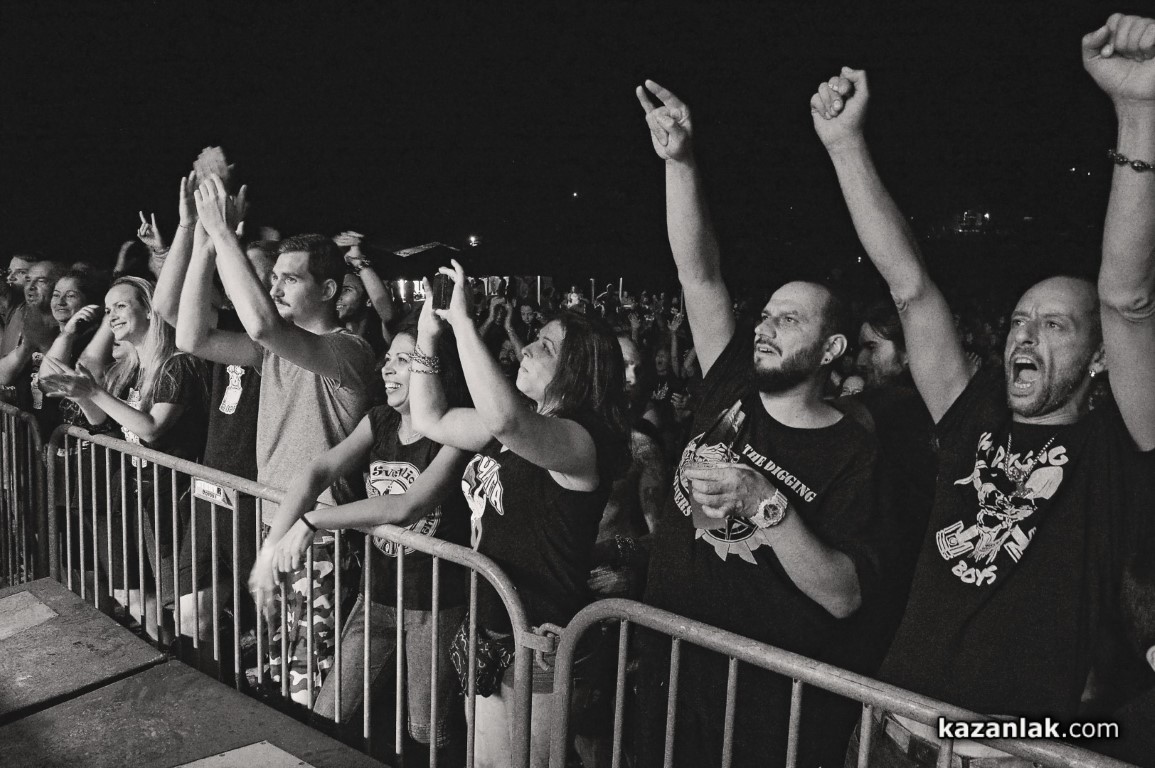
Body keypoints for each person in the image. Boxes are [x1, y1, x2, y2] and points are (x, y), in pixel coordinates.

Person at [811, 13, 1155, 764]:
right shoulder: (977, 416)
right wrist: (844, 145)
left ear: (1101, 360)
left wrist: (1137, 110)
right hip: (889, 731)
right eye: (1020, 321)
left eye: (1056, 325)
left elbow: (1126, 300)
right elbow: (909, 289)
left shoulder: (1117, 452)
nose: (1025, 336)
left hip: (999, 754)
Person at [633, 79, 888, 768]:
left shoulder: (853, 449)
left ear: (831, 350)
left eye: (790, 319)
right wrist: (679, 162)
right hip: (666, 674)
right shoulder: (731, 384)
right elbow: (699, 275)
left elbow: (844, 595)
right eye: (767, 314)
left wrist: (762, 501)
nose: (766, 327)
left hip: (757, 710)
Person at [410, 260, 630, 768]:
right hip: (491, 630)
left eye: (546, 346)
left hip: (540, 646)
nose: (526, 348)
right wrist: (427, 337)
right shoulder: (520, 428)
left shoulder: (582, 441)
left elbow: (505, 420)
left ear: (578, 370)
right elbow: (430, 417)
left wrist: (465, 324)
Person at [177, 174, 377, 705]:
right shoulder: (272, 352)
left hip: (321, 535)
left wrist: (225, 234)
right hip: (277, 523)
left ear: (328, 290)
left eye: (290, 278)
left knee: (310, 680)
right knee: (283, 670)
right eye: (275, 278)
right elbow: (190, 337)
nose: (277, 288)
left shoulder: (349, 351)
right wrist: (204, 244)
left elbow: (264, 326)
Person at [252, 324, 471, 756]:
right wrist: (270, 550)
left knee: (427, 732)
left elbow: (406, 505)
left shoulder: (455, 435)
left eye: (403, 360)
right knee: (329, 712)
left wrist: (314, 520)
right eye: (388, 358)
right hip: (377, 596)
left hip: (434, 605)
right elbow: (317, 471)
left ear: (436, 369)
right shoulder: (380, 420)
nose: (387, 368)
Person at [39, 276, 210, 638]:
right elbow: (110, 428)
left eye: (120, 306)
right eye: (107, 309)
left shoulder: (177, 365)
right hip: (138, 495)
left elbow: (151, 429)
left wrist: (94, 392)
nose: (112, 316)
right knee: (144, 597)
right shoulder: (131, 368)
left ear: (149, 309)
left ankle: (190, 664)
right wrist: (83, 396)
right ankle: (166, 655)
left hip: (173, 498)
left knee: (179, 606)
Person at [0, 253, 33, 357]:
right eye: (10, 271)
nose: (10, 277)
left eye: (21, 272)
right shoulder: (15, 307)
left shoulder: (30, 312)